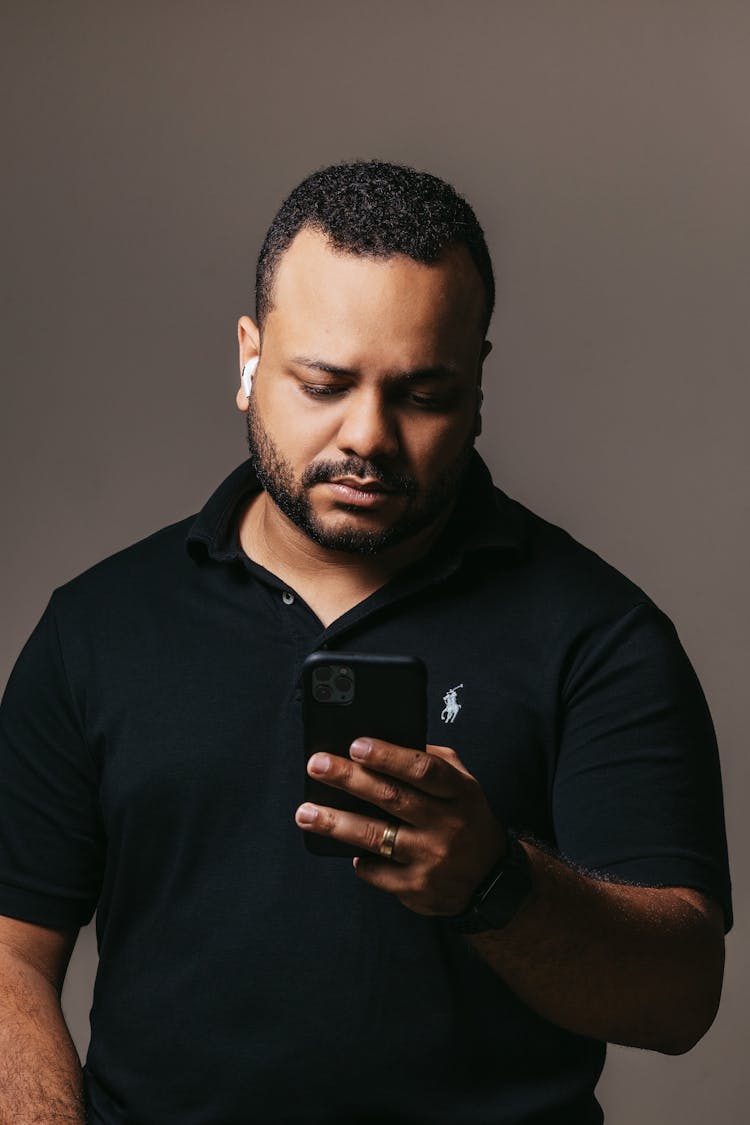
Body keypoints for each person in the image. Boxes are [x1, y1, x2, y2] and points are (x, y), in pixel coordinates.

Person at [0, 160, 732, 1124]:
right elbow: (10, 949)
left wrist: (493, 882)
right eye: (324, 382)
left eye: (423, 393)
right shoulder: (99, 625)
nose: (369, 436)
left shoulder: (600, 635)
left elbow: (679, 998)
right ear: (250, 359)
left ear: (478, 384)